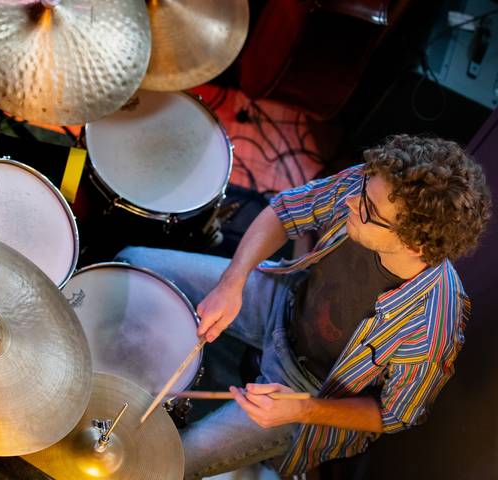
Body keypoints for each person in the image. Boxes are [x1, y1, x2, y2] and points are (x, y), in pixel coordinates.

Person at [115, 134, 492, 479]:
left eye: (367, 209)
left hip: (308, 392)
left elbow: (393, 415)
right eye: (363, 188)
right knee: (131, 264)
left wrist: (300, 410)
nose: (350, 201)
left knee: (164, 461)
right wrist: (233, 283)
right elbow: (284, 210)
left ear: (414, 246)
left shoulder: (433, 328)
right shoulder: (373, 188)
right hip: (282, 298)